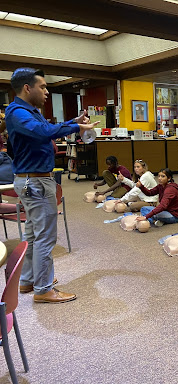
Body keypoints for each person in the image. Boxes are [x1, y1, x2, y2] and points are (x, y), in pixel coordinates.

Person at [6, 67, 98, 303]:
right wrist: (77, 127)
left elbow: (45, 129)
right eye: (43, 87)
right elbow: (42, 131)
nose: (47, 91)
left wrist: (73, 121)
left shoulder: (28, 111)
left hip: (31, 180)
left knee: (34, 234)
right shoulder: (17, 112)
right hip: (35, 181)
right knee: (45, 236)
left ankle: (28, 280)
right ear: (28, 88)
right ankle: (44, 289)